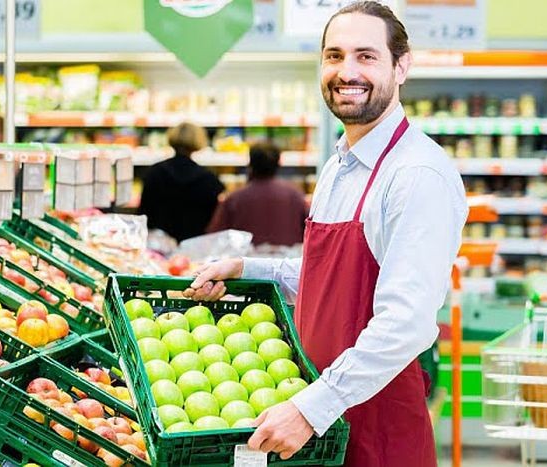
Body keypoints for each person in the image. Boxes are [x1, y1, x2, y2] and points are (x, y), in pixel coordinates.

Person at [184, 2, 468, 466]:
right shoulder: (339, 164)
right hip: (317, 420)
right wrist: (246, 268)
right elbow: (333, 278)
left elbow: (407, 322)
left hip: (372, 425)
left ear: (402, 66)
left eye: (366, 56)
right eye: (334, 56)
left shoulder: (417, 174)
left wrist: (310, 408)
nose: (346, 71)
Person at [207, 142, 308, 245]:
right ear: (278, 163)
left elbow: (215, 235)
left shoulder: (235, 198)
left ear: (250, 163)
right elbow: (309, 230)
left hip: (246, 258)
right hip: (287, 257)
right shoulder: (295, 195)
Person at [138, 122, 224, 242]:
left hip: (158, 244)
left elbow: (144, 212)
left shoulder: (154, 172)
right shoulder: (208, 178)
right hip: (194, 245)